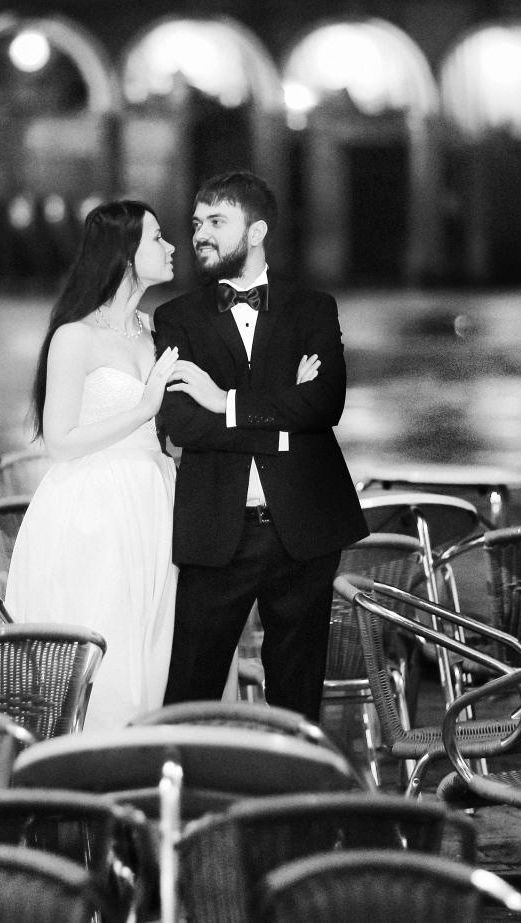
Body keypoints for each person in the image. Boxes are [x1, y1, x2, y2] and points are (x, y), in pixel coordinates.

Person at [153, 169, 367, 721]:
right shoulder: (176, 318)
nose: (201, 234)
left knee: (297, 700)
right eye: (198, 222)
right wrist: (281, 412)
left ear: (256, 232)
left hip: (305, 527)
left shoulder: (313, 308)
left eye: (216, 222)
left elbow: (324, 407)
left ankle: (292, 805)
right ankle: (183, 799)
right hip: (216, 528)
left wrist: (224, 402)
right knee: (191, 695)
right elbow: (181, 424)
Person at [4, 199, 181, 731]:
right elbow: (59, 441)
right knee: (105, 651)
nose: (170, 247)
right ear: (125, 254)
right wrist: (143, 407)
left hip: (157, 498)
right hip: (95, 509)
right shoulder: (74, 336)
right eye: (156, 237)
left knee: (157, 650)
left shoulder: (158, 330)